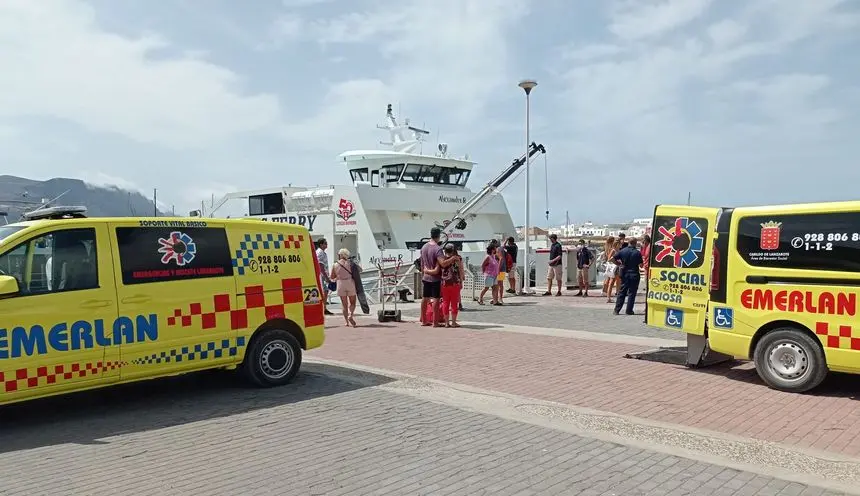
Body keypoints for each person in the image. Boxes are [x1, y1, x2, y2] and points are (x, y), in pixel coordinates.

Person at [420, 227, 445, 327]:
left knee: (425, 298)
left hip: (426, 276)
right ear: (438, 236)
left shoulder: (424, 247)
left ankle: (424, 320)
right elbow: (442, 263)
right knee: (436, 298)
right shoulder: (438, 249)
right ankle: (435, 322)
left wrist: (424, 272)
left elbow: (422, 263)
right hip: (435, 278)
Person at [613, 237, 643, 316]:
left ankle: (617, 310)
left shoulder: (622, 251)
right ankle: (629, 310)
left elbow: (612, 259)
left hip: (624, 273)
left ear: (628, 242)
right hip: (634, 274)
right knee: (632, 293)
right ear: (635, 243)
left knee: (622, 292)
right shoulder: (637, 252)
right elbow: (641, 265)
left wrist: (620, 264)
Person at [331, 248, 359, 327]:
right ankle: (351, 315)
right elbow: (359, 271)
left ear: (340, 255)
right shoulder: (350, 263)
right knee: (353, 302)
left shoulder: (335, 264)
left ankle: (346, 322)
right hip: (350, 282)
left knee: (344, 304)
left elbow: (332, 276)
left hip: (340, 283)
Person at [439, 243, 463, 327]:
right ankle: (453, 322)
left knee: (445, 302)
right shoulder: (457, 258)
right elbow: (460, 270)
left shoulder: (442, 259)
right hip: (455, 283)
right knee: (454, 303)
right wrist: (461, 281)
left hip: (444, 283)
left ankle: (446, 322)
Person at [315, 238, 334, 315]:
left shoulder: (322, 252)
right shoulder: (320, 253)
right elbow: (320, 266)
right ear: (321, 244)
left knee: (325, 291)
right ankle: (322, 308)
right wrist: (326, 277)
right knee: (323, 292)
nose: (327, 245)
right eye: (325, 243)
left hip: (322, 276)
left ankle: (324, 308)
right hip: (321, 276)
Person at [640, 234, 652, 323]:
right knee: (647, 289)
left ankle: (647, 308)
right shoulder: (645, 247)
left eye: (642, 242)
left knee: (648, 289)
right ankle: (646, 307)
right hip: (646, 269)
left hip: (648, 270)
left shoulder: (649, 247)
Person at [601, 236, 616, 300]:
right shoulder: (611, 247)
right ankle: (605, 291)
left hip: (605, 263)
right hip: (609, 264)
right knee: (609, 278)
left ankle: (604, 290)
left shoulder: (606, 246)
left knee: (606, 278)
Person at [495, 241, 507, 305]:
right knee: (500, 284)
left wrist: (498, 269)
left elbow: (501, 258)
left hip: (500, 269)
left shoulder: (498, 249)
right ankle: (498, 298)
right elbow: (504, 245)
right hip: (503, 269)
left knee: (498, 284)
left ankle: (499, 298)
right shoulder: (501, 248)